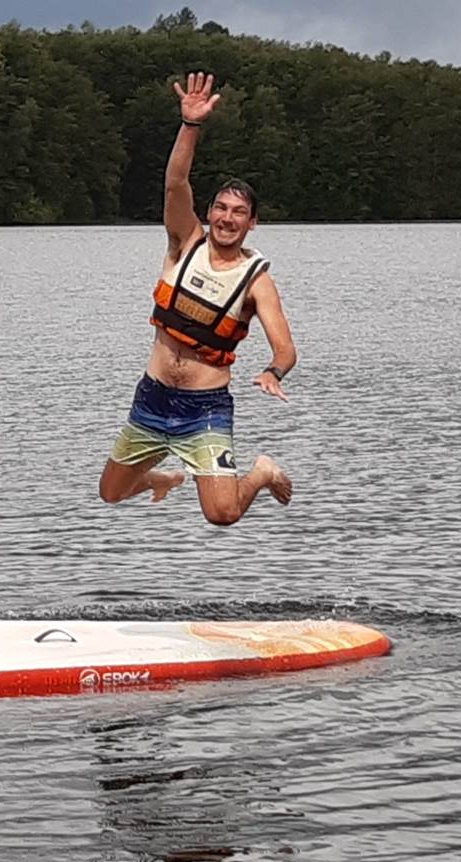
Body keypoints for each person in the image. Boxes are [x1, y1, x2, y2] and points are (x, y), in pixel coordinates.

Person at [99, 71, 296, 526]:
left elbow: (285, 348)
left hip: (204, 409)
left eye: (239, 213)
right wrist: (190, 124)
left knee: (222, 514)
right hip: (152, 398)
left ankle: (262, 471)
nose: (227, 219)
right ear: (209, 213)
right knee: (111, 493)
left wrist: (273, 371)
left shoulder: (256, 280)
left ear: (252, 223)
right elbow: (175, 184)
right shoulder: (184, 243)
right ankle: (163, 479)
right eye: (221, 209)